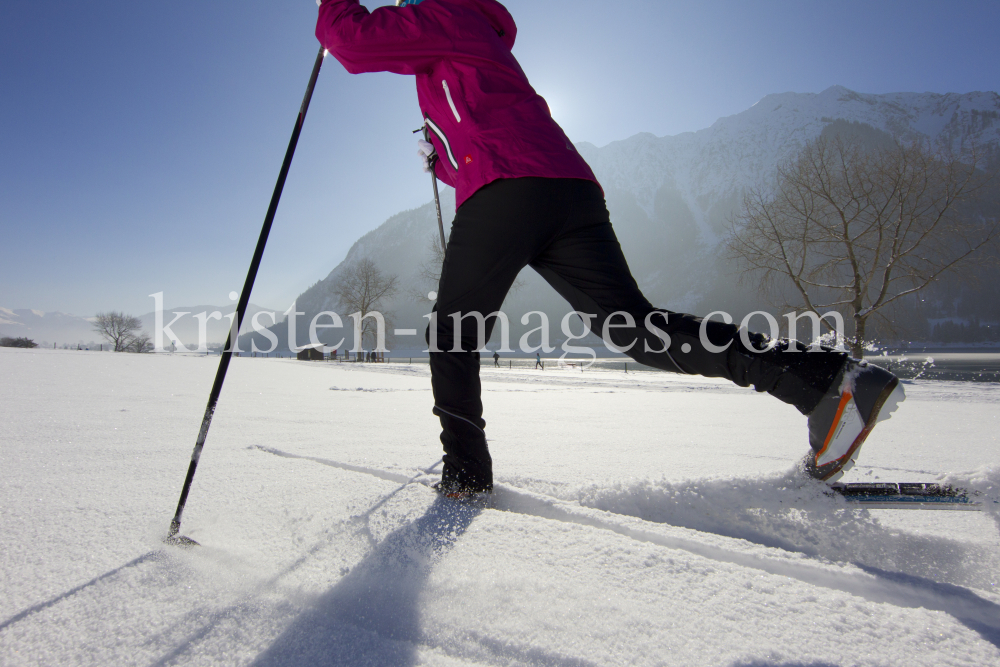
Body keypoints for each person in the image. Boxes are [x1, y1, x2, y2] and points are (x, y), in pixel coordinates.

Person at [316, 0, 904, 499]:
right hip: (567, 190)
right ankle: (830, 382)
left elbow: (351, 41)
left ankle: (466, 476)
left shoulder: (444, 13)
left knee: (452, 333)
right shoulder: (475, 32)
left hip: (510, 186)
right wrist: (442, 161)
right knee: (637, 329)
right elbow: (486, 135)